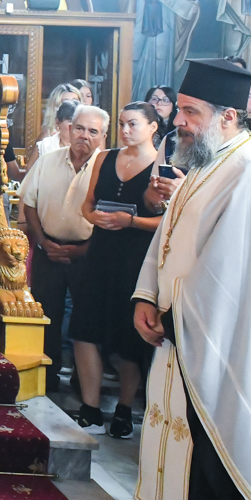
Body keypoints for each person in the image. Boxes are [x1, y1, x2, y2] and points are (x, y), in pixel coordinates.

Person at [131, 59, 251, 500]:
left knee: (210, 474)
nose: (177, 120)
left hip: (222, 354)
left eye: (190, 112)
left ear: (228, 116)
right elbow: (168, 238)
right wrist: (147, 295)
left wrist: (173, 314)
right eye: (179, 109)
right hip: (181, 340)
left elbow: (229, 274)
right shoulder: (205, 163)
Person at [70, 102, 163, 438]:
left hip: (135, 257)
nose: (125, 131)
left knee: (127, 338)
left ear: (152, 127)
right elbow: (88, 203)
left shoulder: (162, 165)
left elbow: (168, 221)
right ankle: (90, 408)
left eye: (133, 124)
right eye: (122, 124)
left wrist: (131, 221)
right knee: (85, 328)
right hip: (100, 252)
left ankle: (124, 408)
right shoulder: (105, 158)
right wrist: (93, 216)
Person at [19, 104, 103, 396]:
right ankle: (47, 377)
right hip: (48, 250)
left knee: (87, 318)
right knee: (46, 315)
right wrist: (42, 241)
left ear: (102, 136)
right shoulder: (48, 160)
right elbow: (29, 203)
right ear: (69, 128)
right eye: (79, 128)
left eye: (92, 131)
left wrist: (83, 250)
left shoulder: (107, 168)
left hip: (88, 255)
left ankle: (84, 381)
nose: (84, 136)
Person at [35, 97, 80, 161]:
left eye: (78, 121)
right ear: (57, 122)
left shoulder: (86, 147)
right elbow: (32, 167)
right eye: (70, 120)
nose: (74, 126)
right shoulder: (44, 146)